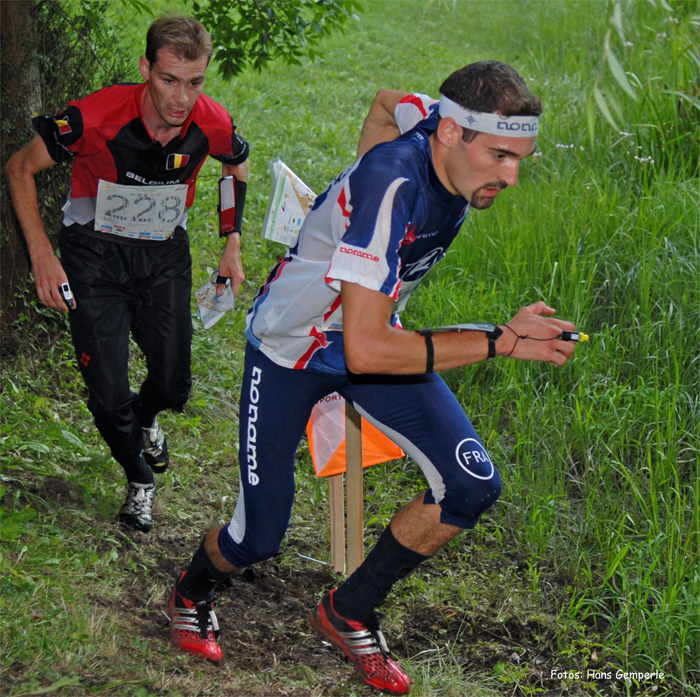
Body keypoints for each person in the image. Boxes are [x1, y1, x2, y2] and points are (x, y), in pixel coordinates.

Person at [168, 61, 579, 694]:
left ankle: (348, 609)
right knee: (259, 537)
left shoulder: (428, 124)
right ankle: (192, 591)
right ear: (451, 134)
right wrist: (499, 340)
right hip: (296, 349)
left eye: (522, 157)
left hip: (368, 337)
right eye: (499, 155)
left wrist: (354, 191)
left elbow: (389, 103)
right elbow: (364, 351)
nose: (511, 175)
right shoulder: (396, 188)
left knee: (470, 488)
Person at [6, 16, 250, 533]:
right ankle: (139, 477)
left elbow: (235, 165)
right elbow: (19, 167)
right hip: (94, 255)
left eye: (195, 82)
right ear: (145, 68)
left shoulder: (212, 122)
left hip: (162, 253)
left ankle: (145, 420)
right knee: (107, 389)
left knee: (174, 384)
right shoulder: (94, 118)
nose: (182, 97)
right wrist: (42, 253)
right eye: (168, 80)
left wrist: (232, 240)